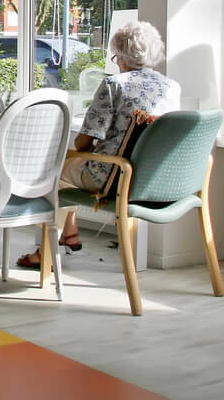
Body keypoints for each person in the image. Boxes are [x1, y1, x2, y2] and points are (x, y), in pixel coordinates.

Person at [17, 20, 180, 269]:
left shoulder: (114, 85)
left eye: (115, 56)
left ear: (121, 56)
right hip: (153, 177)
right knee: (66, 171)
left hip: (113, 177)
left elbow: (84, 142)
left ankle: (45, 253)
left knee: (52, 169)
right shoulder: (171, 88)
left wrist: (89, 149)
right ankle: (69, 233)